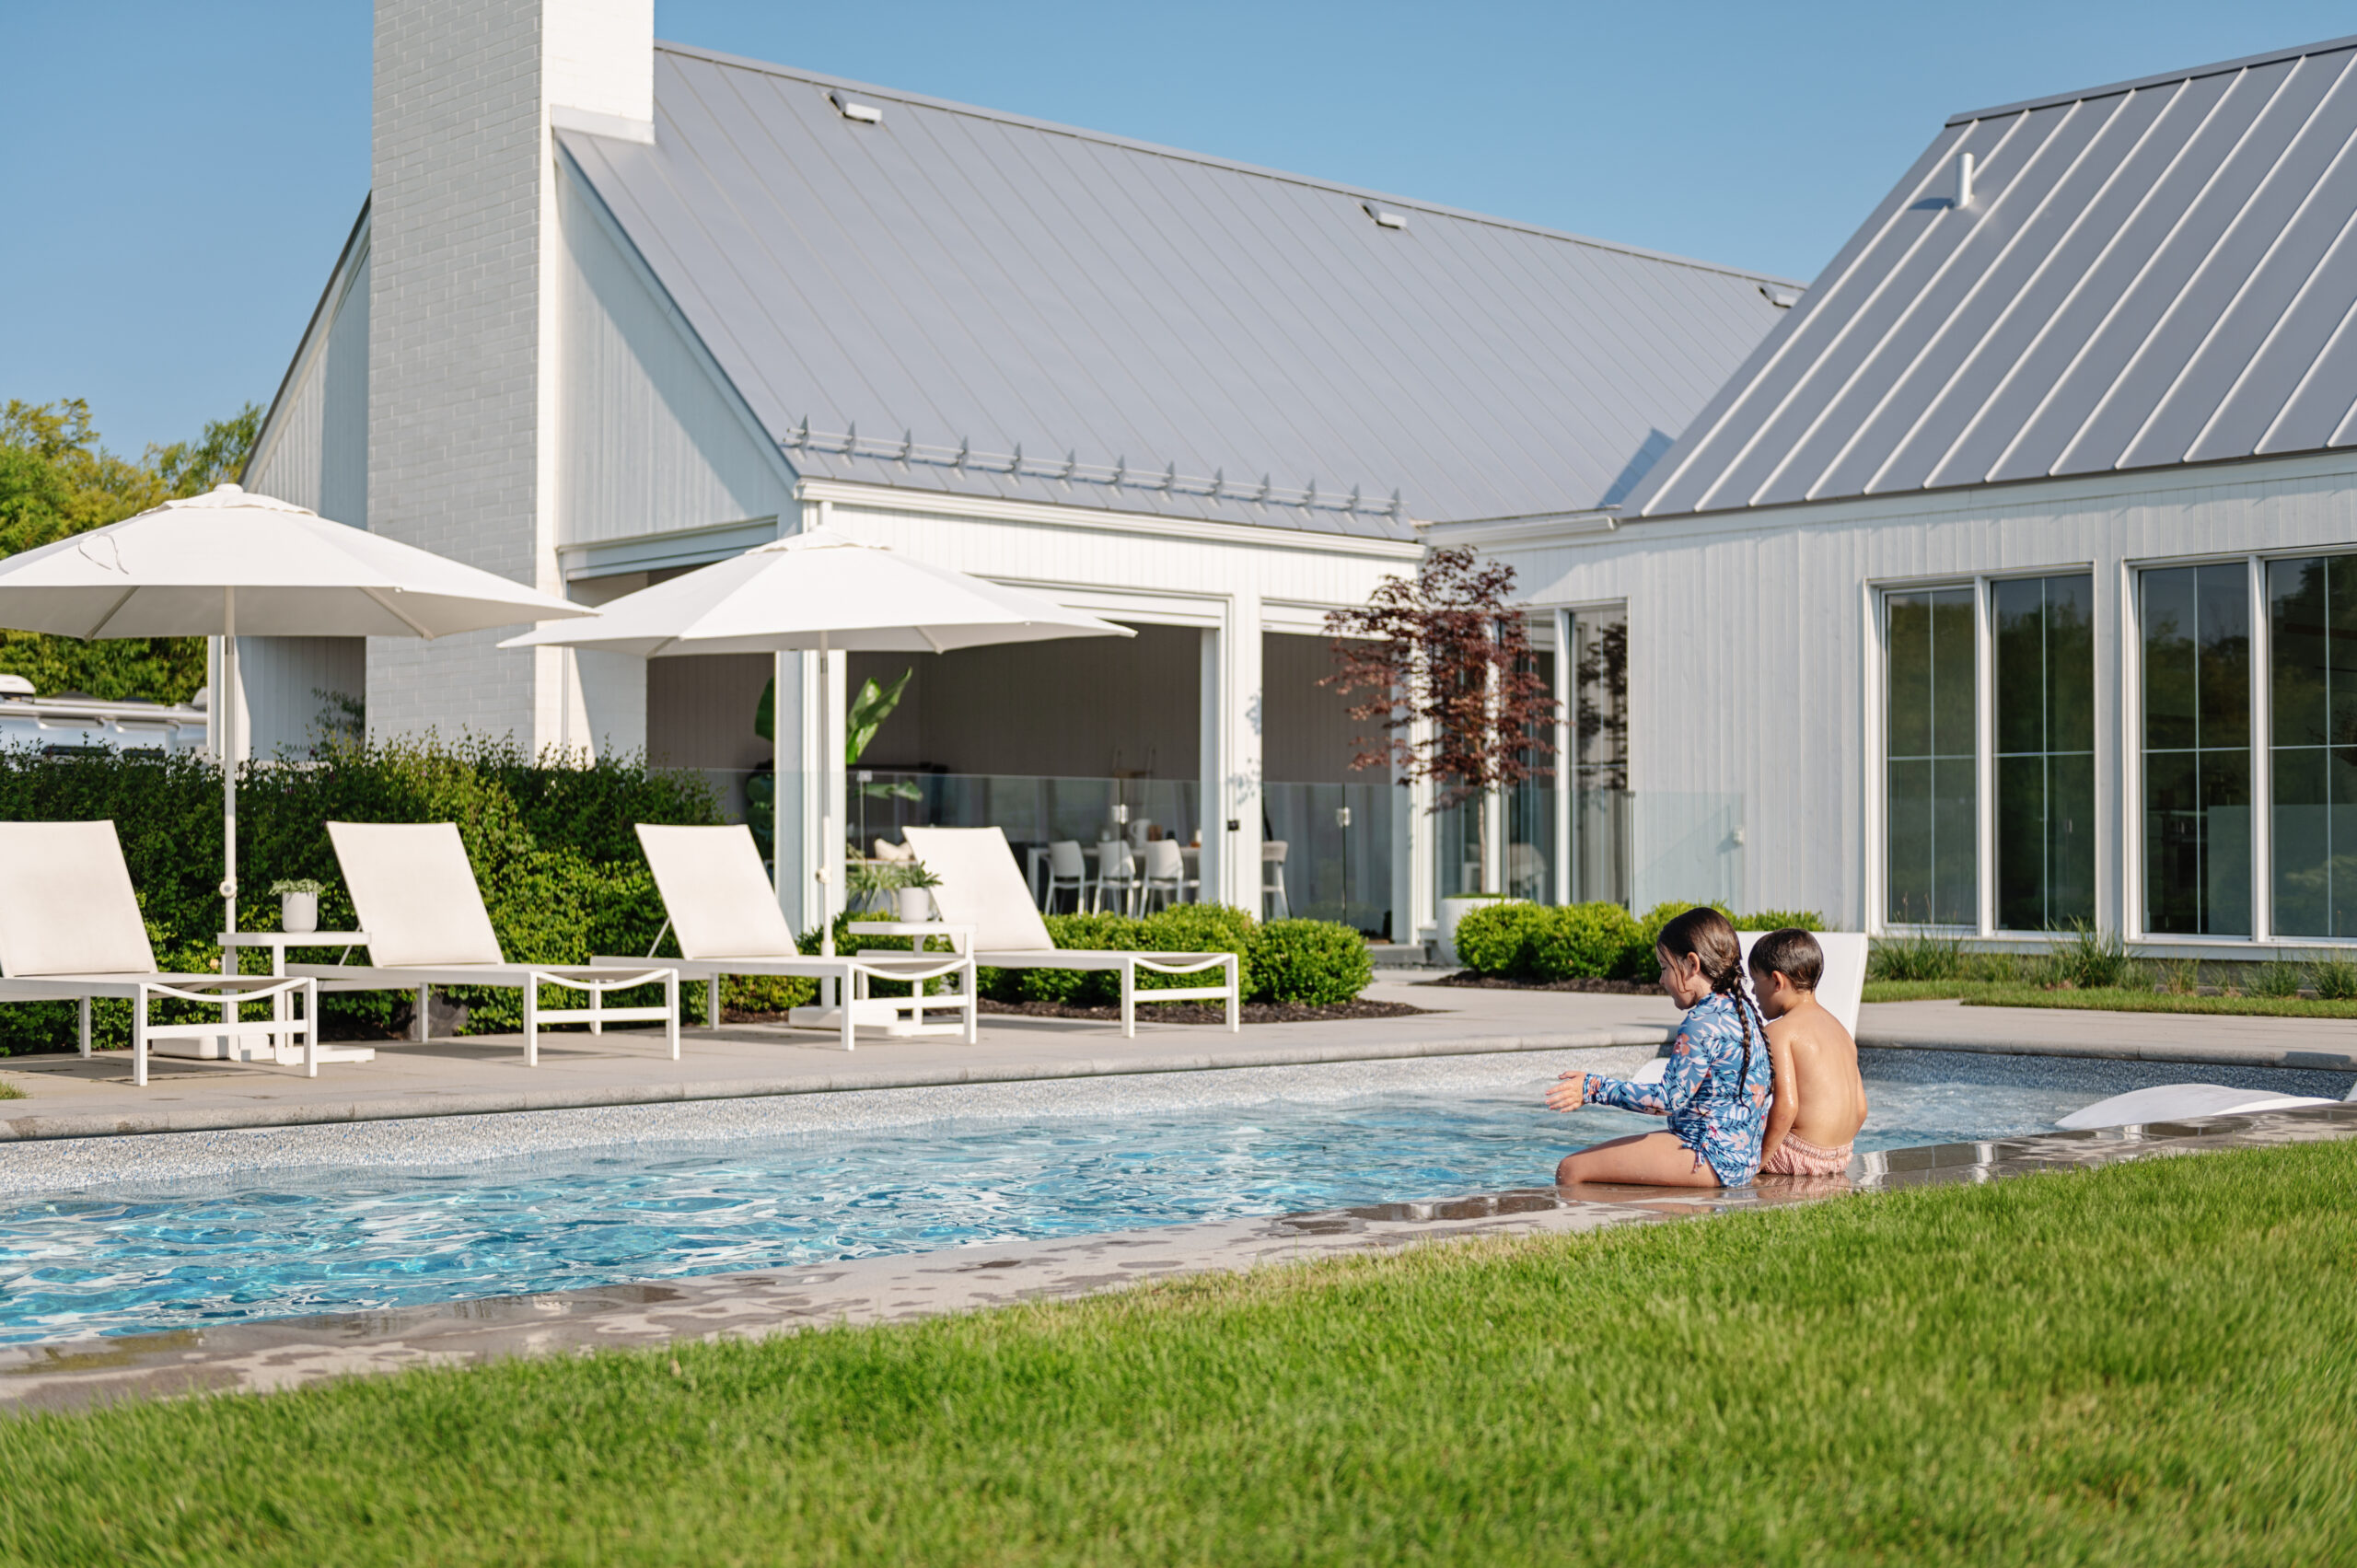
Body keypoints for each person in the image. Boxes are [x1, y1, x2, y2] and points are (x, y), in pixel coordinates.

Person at [1545, 907, 1771, 1188]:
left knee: (1571, 1169)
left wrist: (1592, 1088)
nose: (1661, 980)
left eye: (1665, 968)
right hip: (1738, 1159)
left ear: (1692, 964)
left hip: (1708, 1158)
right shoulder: (1742, 1010)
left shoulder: (1702, 1021)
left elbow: (1668, 1100)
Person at [1750, 928, 1866, 1179]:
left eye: (1755, 981)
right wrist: (1831, 1151)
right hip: (1841, 1155)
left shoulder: (1779, 1031)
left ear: (1777, 981)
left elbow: (1786, 1109)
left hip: (1798, 1155)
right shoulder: (1841, 1031)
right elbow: (1861, 1109)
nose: (1752, 993)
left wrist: (1758, 1163)